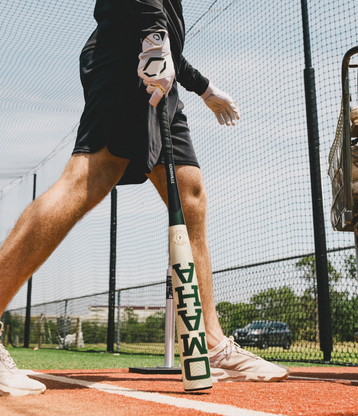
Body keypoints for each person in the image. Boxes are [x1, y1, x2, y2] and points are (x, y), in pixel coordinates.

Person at [0, 0, 289, 396]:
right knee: (88, 179)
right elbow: (153, 18)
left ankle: (212, 342)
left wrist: (202, 87)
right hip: (132, 54)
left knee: (191, 195)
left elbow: (166, 22)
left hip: (155, 54)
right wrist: (154, 40)